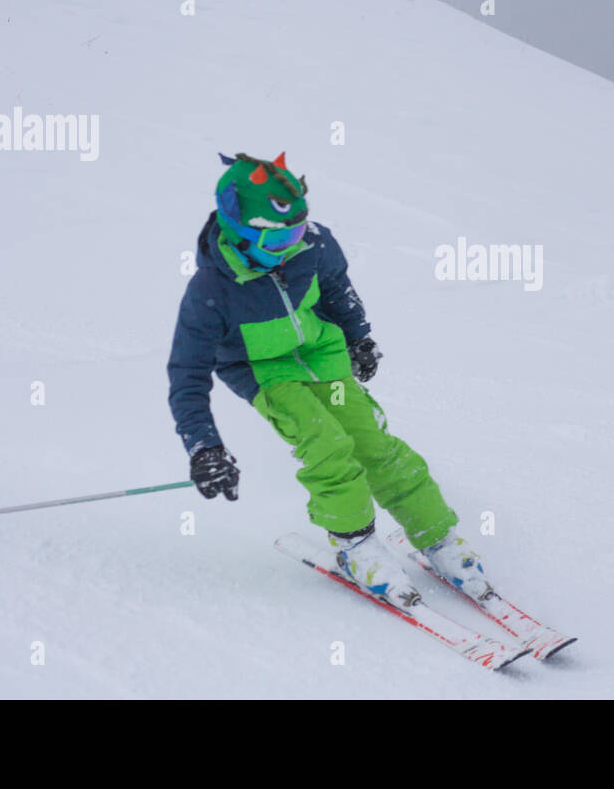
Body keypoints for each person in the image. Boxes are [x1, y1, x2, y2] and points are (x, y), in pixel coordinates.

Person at [167, 152, 488, 607]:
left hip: (324, 357)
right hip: (265, 372)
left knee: (371, 440)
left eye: (295, 232)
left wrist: (358, 339)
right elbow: (187, 374)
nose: (287, 248)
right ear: (238, 234)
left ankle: (437, 537)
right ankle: (356, 546)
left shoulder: (314, 245)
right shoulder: (209, 293)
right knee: (325, 443)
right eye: (271, 239)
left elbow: (338, 290)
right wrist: (205, 447)